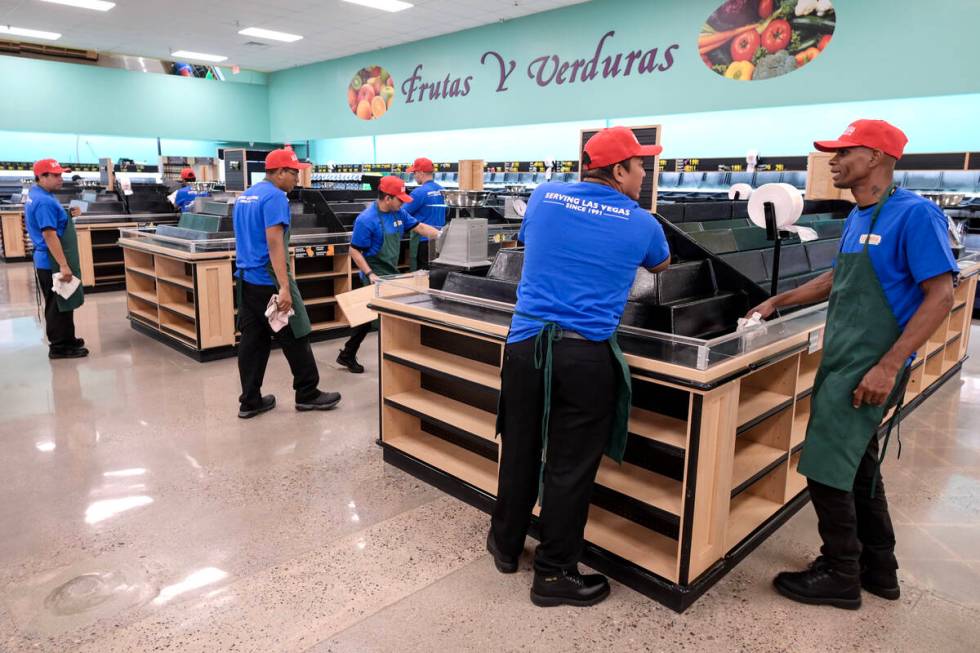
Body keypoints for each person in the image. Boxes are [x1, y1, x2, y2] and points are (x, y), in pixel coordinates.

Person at [747, 120, 958, 610]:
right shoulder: (857, 216)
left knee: (823, 467)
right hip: (844, 358)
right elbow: (834, 280)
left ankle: (841, 572)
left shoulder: (914, 216)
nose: (834, 160)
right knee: (858, 464)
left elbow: (940, 296)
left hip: (870, 365)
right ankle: (879, 569)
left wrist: (888, 366)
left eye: (845, 151)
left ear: (879, 158)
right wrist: (777, 301)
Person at [488, 127, 670, 608]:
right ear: (617, 171)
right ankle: (553, 574)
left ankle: (504, 545)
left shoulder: (545, 196)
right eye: (640, 166)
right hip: (585, 355)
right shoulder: (643, 222)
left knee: (521, 446)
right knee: (569, 467)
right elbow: (661, 266)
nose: (644, 174)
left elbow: (531, 241)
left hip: (525, 345)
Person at [233, 148, 342, 418]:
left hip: (246, 280)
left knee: (253, 341)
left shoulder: (246, 196)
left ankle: (250, 400)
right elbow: (273, 242)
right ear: (279, 172)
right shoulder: (275, 198)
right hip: (269, 279)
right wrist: (283, 286)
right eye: (294, 173)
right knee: (296, 332)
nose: (297, 179)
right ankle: (307, 393)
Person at [336, 176, 441, 373]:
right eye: (399, 199)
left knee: (369, 319)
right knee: (377, 318)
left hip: (390, 271)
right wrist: (370, 273)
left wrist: (442, 236)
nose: (403, 202)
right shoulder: (366, 220)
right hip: (373, 272)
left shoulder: (398, 213)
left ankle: (348, 354)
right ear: (387, 198)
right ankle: (392, 363)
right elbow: (354, 250)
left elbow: (418, 227)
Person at [25, 159, 87, 359]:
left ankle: (67, 338)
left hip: (46, 259)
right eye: (56, 175)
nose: (61, 179)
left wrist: (67, 214)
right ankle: (59, 346)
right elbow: (49, 235)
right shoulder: (45, 201)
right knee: (57, 305)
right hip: (51, 261)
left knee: (63, 299)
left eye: (62, 174)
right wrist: (63, 265)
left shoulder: (37, 195)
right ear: (42, 177)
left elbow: (52, 222)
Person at [404, 157, 447, 271]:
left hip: (422, 241)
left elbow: (402, 213)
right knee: (435, 274)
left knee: (421, 275)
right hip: (439, 239)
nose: (414, 175)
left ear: (421, 172)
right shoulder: (442, 189)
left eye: (414, 172)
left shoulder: (418, 192)